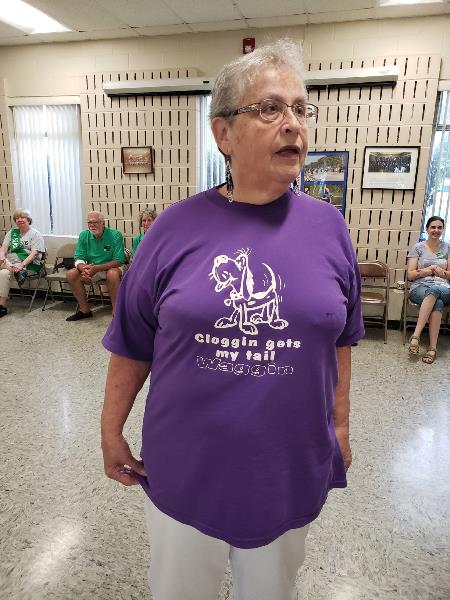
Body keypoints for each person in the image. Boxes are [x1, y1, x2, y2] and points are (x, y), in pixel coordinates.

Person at [101, 39, 364, 600]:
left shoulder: (329, 228)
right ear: (222, 133)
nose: (293, 124)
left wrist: (340, 427)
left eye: (301, 108)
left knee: (272, 591)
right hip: (187, 463)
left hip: (286, 466)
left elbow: (340, 338)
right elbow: (132, 342)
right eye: (270, 108)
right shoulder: (172, 229)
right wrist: (110, 430)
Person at [65, 211, 125, 321]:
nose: (92, 225)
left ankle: (116, 311)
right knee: (71, 274)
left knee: (112, 274)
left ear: (103, 223)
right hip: (91, 268)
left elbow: (119, 260)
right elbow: (78, 257)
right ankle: (85, 310)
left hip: (110, 267)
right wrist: (84, 268)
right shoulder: (84, 235)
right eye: (89, 222)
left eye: (95, 222)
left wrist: (97, 268)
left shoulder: (115, 235)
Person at [407, 216, 450, 363]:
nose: (436, 230)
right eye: (433, 227)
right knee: (438, 303)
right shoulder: (417, 247)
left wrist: (442, 273)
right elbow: (410, 275)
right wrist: (426, 271)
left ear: (443, 230)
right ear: (427, 229)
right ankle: (432, 348)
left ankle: (416, 336)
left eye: (439, 227)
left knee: (436, 289)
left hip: (443, 287)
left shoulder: (447, 248)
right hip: (420, 287)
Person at [0, 208, 45, 318]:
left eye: (22, 217)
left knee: (8, 264)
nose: (19, 220)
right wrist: (2, 256)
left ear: (29, 220)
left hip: (30, 263)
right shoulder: (13, 232)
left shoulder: (35, 234)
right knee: (3, 273)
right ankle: (1, 307)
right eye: (17, 218)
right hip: (12, 262)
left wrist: (22, 265)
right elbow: (4, 248)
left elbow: (34, 254)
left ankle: (16, 268)